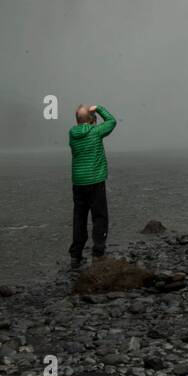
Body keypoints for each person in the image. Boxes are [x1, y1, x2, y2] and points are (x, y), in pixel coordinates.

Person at [68, 103, 117, 269]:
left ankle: (76, 254)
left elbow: (85, 126)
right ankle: (98, 253)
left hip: (78, 183)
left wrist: (89, 117)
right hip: (95, 182)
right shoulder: (95, 132)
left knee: (79, 218)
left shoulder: (72, 134)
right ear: (92, 120)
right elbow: (112, 121)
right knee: (100, 217)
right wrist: (99, 108)